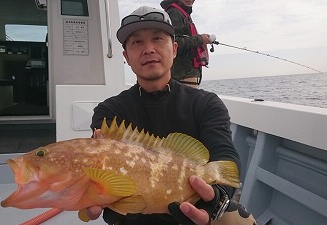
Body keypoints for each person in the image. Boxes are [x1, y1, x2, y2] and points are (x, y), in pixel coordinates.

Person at [85, 6, 241, 225]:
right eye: (136, 42)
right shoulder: (110, 111)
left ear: (175, 49)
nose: (148, 49)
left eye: (158, 38)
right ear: (126, 57)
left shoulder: (207, 104)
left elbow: (225, 159)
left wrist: (214, 200)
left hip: (192, 211)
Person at [160, 0, 213, 88]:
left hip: (185, 77)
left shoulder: (181, 13)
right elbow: (174, 43)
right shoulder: (174, 12)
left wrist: (201, 38)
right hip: (182, 78)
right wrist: (200, 39)